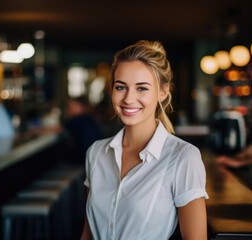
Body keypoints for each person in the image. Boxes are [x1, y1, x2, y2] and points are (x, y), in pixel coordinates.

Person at [81, 40, 209, 240]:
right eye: (120, 87)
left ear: (163, 92)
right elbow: (88, 232)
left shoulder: (183, 158)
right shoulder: (96, 153)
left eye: (142, 88)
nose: (129, 99)